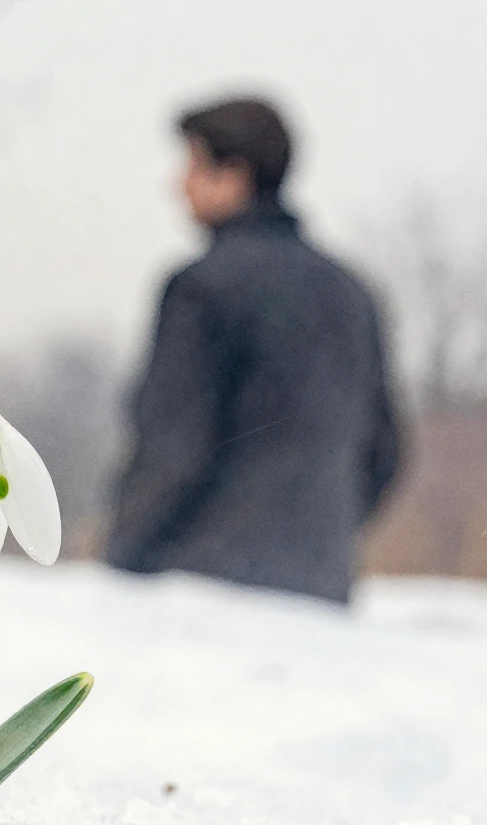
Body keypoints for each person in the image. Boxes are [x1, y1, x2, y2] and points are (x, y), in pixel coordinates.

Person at [106, 97, 401, 603]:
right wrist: (323, 537)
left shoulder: (201, 288)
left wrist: (123, 562)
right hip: (321, 596)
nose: (178, 186)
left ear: (234, 175)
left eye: (193, 166)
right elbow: (383, 451)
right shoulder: (352, 293)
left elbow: (170, 447)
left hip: (199, 594)